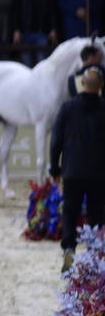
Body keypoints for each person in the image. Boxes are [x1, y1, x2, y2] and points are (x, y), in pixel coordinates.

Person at [50, 66, 105, 271]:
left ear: (82, 84)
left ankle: (69, 250)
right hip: (99, 173)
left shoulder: (67, 108)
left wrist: (54, 169)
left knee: (70, 211)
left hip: (72, 171)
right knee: (96, 213)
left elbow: (56, 142)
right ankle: (93, 252)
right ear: (101, 86)